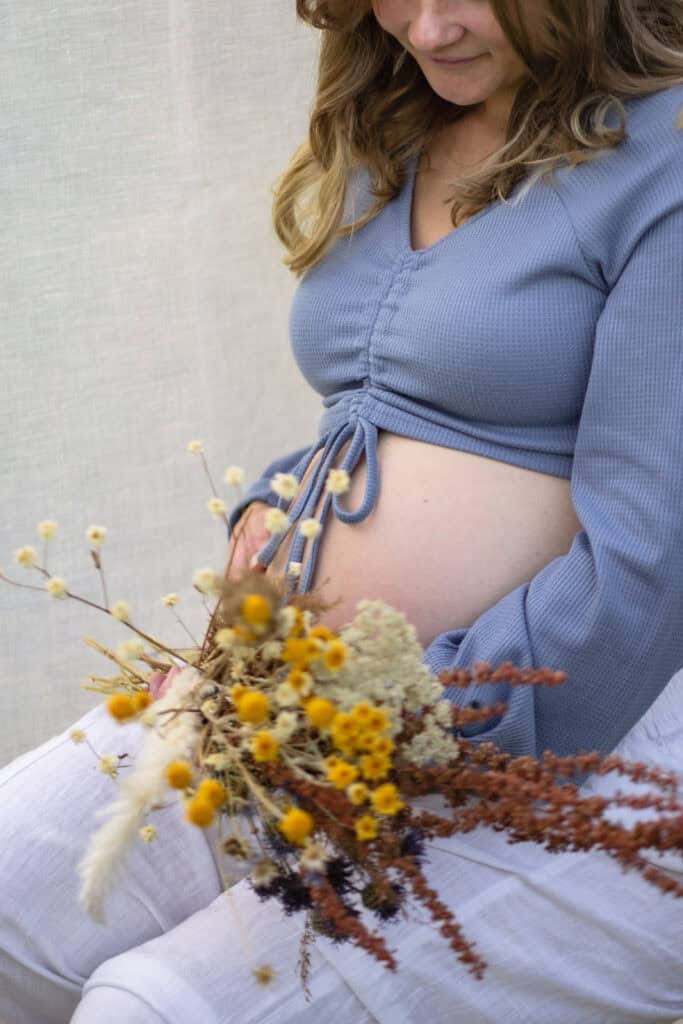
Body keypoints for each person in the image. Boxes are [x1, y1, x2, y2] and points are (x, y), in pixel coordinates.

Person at [1, 2, 682, 1021]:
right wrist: (266, 529)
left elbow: (650, 558)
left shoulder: (664, 154)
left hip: (535, 729)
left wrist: (418, 725)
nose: (429, 27)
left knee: (153, 1008)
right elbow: (380, 408)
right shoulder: (396, 128)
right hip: (286, 698)